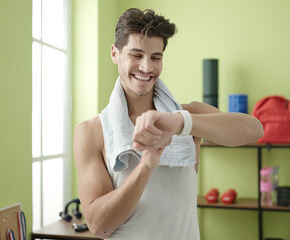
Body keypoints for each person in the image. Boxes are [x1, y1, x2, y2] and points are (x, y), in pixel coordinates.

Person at [74, 8, 263, 240]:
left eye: (156, 57)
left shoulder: (187, 116)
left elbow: (254, 130)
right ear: (115, 53)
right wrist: (146, 165)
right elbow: (99, 225)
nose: (147, 67)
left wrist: (181, 122)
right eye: (136, 55)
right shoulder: (92, 132)